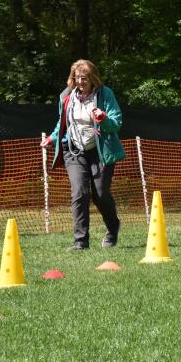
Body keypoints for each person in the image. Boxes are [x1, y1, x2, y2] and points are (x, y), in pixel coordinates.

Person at [41, 59, 125, 249]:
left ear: (93, 78)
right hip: (74, 151)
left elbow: (116, 123)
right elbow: (63, 122)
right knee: (79, 192)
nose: (80, 82)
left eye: (84, 78)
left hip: (100, 151)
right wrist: (52, 138)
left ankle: (113, 228)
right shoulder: (67, 96)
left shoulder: (105, 94)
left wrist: (103, 118)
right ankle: (80, 241)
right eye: (77, 77)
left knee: (100, 195)